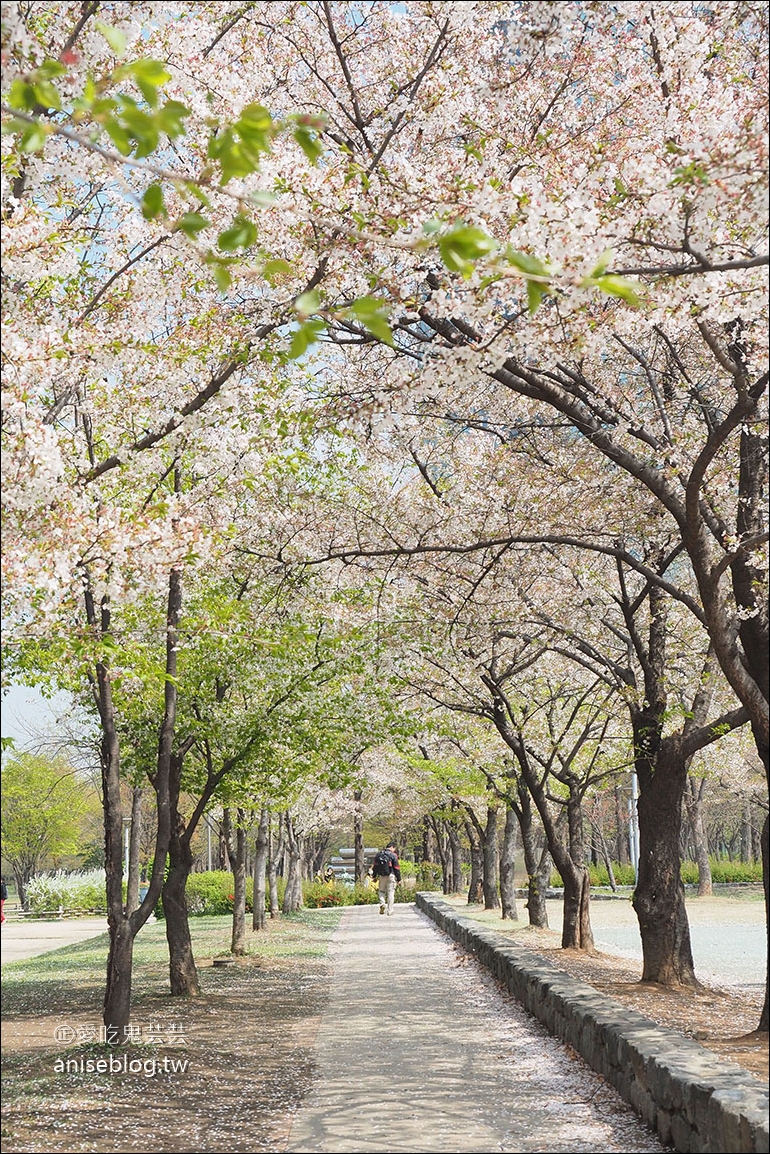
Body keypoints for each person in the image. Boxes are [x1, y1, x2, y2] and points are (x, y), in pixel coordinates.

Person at [371, 843, 401, 916]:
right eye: (394, 849)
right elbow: (397, 868)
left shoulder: (378, 855)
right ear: (391, 847)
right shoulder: (393, 855)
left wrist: (374, 876)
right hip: (391, 875)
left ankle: (382, 903)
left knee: (381, 891)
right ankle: (390, 911)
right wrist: (399, 879)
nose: (394, 850)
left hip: (382, 876)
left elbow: (375, 867)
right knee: (391, 892)